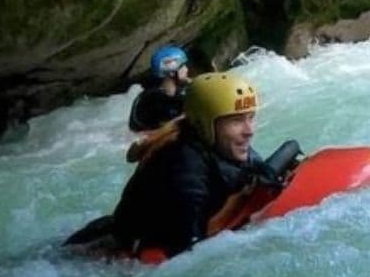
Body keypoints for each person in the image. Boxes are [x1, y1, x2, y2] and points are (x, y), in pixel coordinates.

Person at [109, 71, 281, 257]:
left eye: (250, 117)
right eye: (237, 120)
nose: (250, 131)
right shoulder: (183, 166)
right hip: (118, 257)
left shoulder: (217, 141)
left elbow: (252, 165)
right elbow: (188, 250)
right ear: (204, 124)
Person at [128, 45, 191, 132]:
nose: (187, 69)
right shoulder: (154, 101)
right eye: (183, 66)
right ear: (172, 73)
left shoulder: (169, 94)